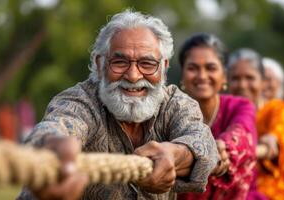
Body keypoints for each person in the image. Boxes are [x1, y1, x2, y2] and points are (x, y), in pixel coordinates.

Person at [17, 10, 219, 200]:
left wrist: (175, 155)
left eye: (147, 64)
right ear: (99, 64)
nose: (133, 76)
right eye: (119, 62)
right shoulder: (81, 101)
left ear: (164, 67)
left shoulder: (175, 104)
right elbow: (58, 125)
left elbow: (202, 140)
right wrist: (51, 149)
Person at [176, 33, 257, 200]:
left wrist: (224, 148)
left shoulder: (240, 106)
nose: (202, 76)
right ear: (182, 75)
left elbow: (243, 130)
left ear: (224, 76)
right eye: (193, 68)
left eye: (211, 68)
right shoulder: (170, 112)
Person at [227, 48, 284, 200]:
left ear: (263, 82)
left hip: (276, 192)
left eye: (250, 78)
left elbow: (278, 133)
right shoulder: (225, 111)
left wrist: (271, 139)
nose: (242, 85)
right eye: (235, 78)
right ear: (227, 81)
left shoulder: (278, 108)